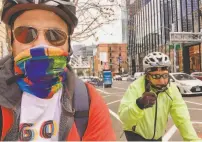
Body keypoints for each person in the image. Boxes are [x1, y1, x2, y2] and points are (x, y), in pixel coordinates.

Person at [0, 0, 116, 141]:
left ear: (69, 44)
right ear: (11, 40)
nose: (41, 44)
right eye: (26, 33)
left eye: (55, 35)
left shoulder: (89, 101)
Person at [118, 52, 201, 141]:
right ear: (147, 76)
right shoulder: (135, 87)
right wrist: (139, 104)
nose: (162, 81)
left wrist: (193, 140)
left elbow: (182, 118)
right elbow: (124, 117)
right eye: (156, 76)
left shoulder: (171, 89)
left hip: (157, 136)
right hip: (136, 134)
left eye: (165, 75)